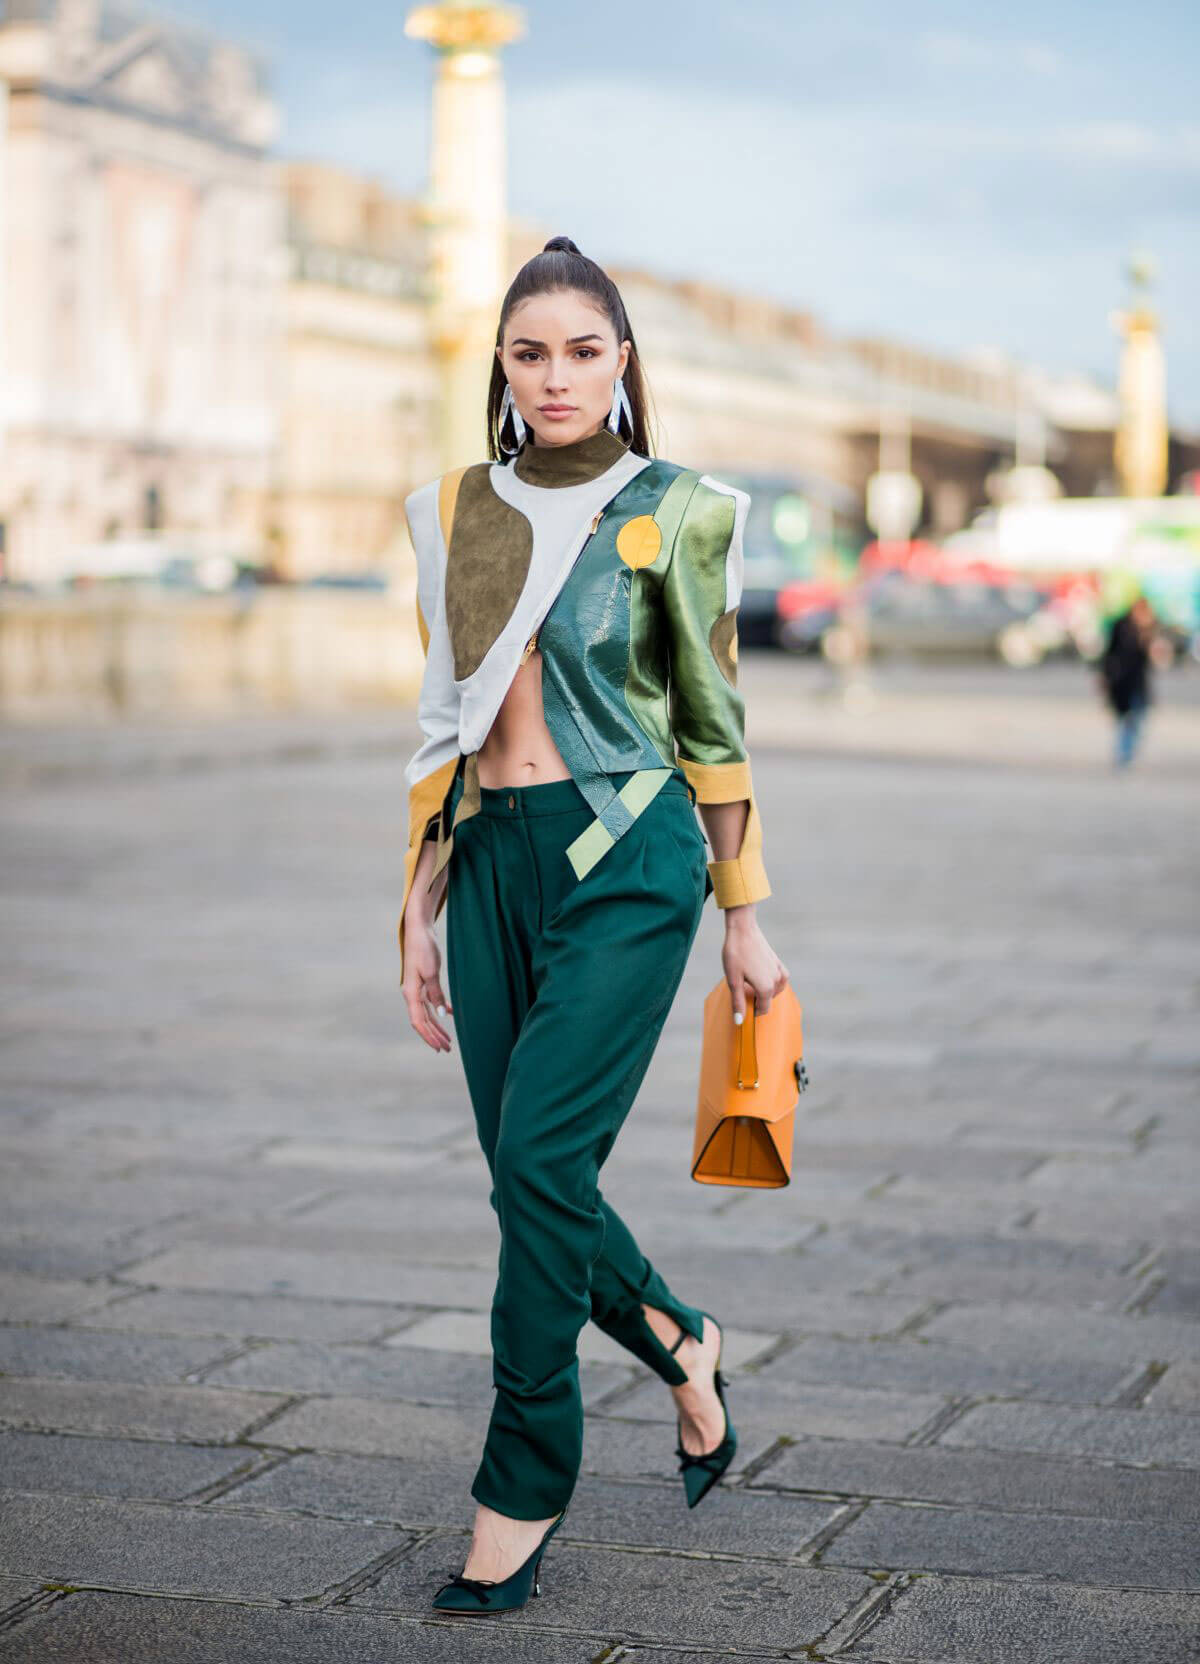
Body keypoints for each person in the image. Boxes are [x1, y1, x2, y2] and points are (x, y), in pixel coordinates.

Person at [397, 236, 789, 1616]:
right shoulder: (449, 506)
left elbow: (711, 722)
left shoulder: (679, 507)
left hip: (628, 857)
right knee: (531, 1175)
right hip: (492, 856)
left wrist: (744, 920)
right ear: (498, 367)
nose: (554, 375)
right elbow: (443, 711)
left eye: (581, 349)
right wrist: (419, 894)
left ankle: (521, 1479)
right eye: (527, 351)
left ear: (623, 359)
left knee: (540, 1162)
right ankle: (683, 1341)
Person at [1098, 593, 1157, 769]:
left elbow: (1147, 660)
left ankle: (1127, 752)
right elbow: (1109, 654)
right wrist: (1105, 677)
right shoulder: (1122, 626)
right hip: (1122, 682)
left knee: (1138, 720)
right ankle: (1124, 755)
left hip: (1139, 683)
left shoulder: (1147, 630)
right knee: (1126, 719)